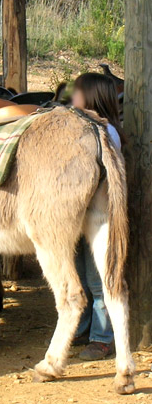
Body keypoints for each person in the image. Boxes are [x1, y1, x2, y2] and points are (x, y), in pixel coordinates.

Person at [71, 72, 125, 361]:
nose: (73, 99)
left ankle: (103, 338)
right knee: (80, 274)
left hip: (97, 216)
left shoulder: (106, 133)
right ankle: (83, 327)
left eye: (78, 93)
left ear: (92, 99)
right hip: (79, 215)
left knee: (97, 280)